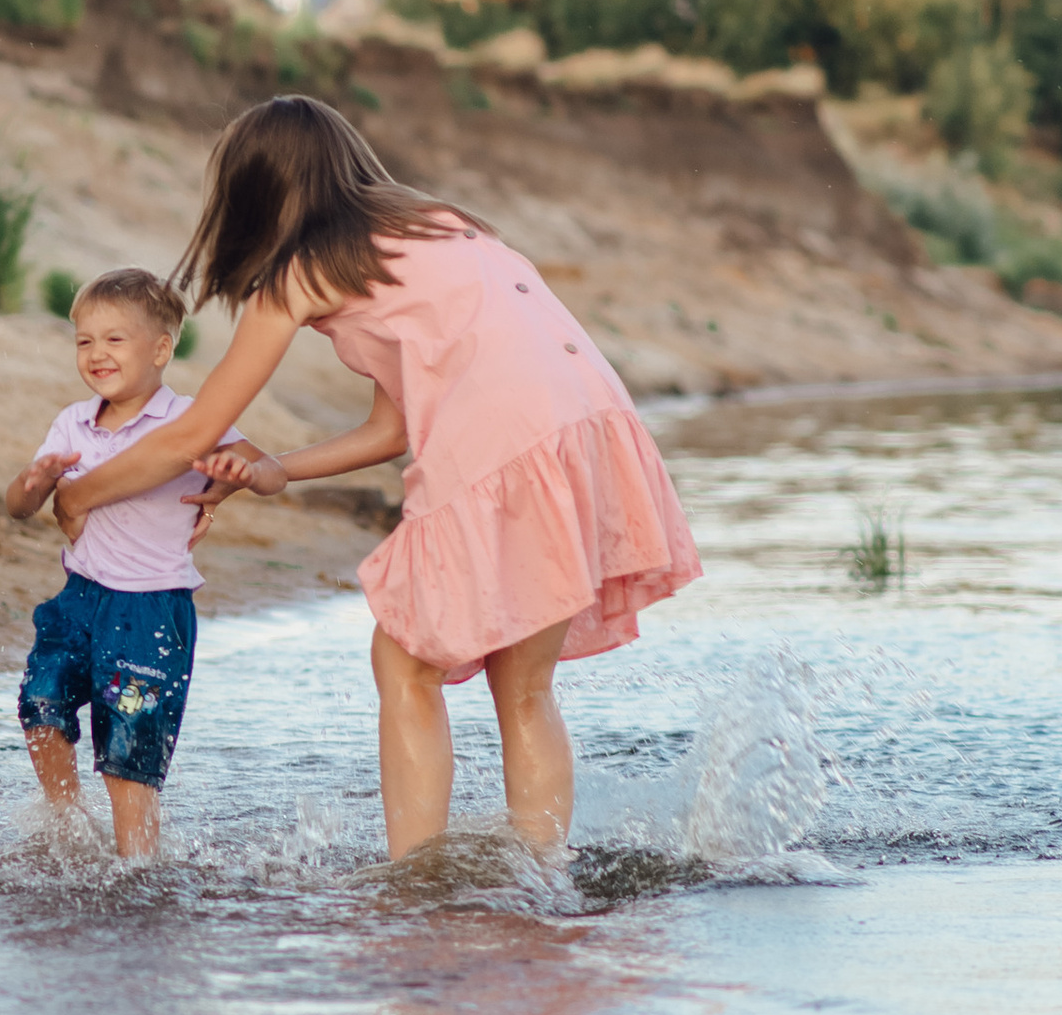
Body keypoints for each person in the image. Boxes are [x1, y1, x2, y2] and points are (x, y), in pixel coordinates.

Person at [49, 96, 700, 860]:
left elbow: (193, 428)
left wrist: (80, 493)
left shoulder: (299, 271)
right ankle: (543, 876)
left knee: (403, 661)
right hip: (588, 421)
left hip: (503, 436)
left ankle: (415, 878)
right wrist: (273, 469)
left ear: (252, 194)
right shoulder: (441, 227)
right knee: (524, 687)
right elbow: (392, 427)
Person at [5, 270, 210, 857]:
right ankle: (66, 823)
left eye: (115, 340)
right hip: (81, 596)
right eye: (84, 341)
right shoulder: (73, 421)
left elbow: (264, 468)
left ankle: (136, 867)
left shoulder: (189, 420)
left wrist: (241, 478)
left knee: (129, 749)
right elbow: (19, 508)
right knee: (40, 703)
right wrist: (34, 482)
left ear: (162, 349)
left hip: (151, 610)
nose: (96, 353)